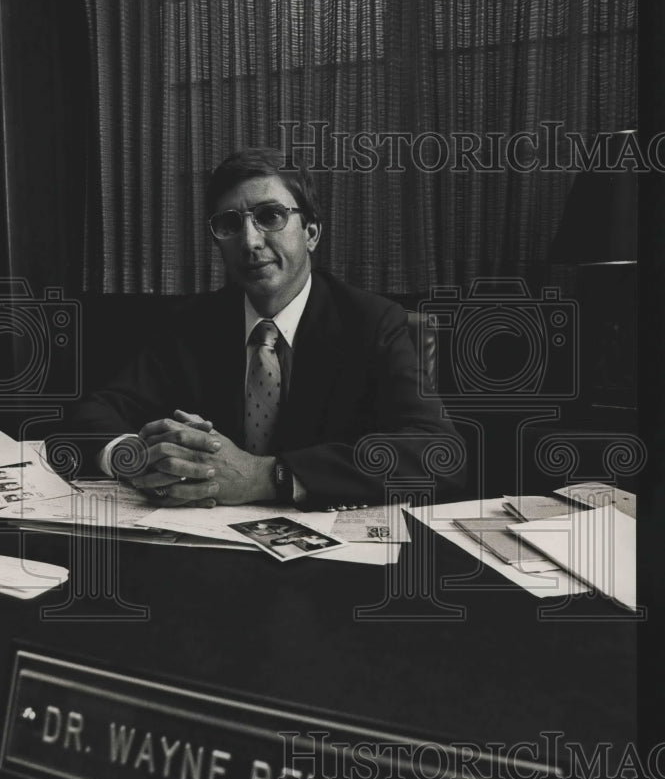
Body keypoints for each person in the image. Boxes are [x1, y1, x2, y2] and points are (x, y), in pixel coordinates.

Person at [58, 148, 464, 511]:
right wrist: (135, 455)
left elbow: (438, 452)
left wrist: (266, 476)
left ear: (311, 233)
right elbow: (95, 411)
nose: (250, 241)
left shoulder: (372, 321)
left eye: (270, 216)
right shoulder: (190, 323)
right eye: (230, 224)